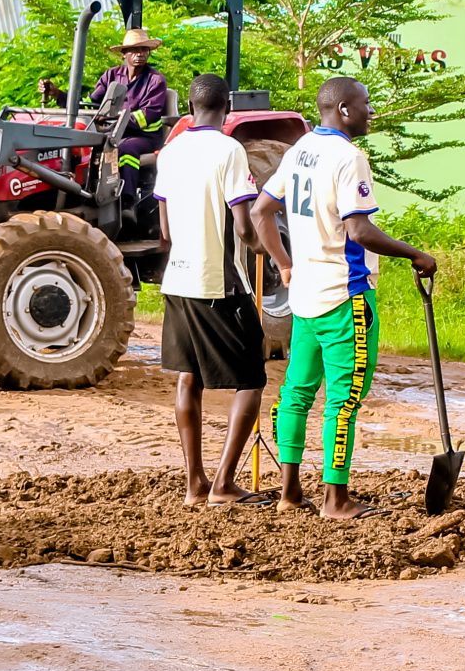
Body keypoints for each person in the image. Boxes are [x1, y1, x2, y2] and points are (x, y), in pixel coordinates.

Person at [249, 78, 436, 521]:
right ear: (345, 109)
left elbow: (260, 210)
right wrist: (416, 254)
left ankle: (289, 491)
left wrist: (285, 263)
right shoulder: (350, 158)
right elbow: (360, 231)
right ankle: (335, 498)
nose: (371, 111)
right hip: (344, 296)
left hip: (305, 296)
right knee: (343, 400)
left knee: (295, 393)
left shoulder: (300, 149)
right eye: (366, 104)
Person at [154, 74, 266, 508]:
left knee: (189, 376)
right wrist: (261, 245)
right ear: (228, 107)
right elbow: (243, 225)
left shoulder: (171, 151)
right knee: (251, 379)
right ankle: (223, 484)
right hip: (218, 283)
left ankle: (194, 484)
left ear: (189, 106)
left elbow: (164, 230)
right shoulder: (229, 150)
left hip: (178, 281)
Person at [93, 28, 175, 195]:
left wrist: (114, 119)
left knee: (125, 149)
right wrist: (58, 95)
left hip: (145, 137)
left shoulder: (155, 80)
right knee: (89, 147)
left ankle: (127, 200)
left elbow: (146, 116)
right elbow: (92, 103)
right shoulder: (111, 76)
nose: (140, 54)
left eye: (144, 49)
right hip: (114, 133)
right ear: (124, 54)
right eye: (135, 50)